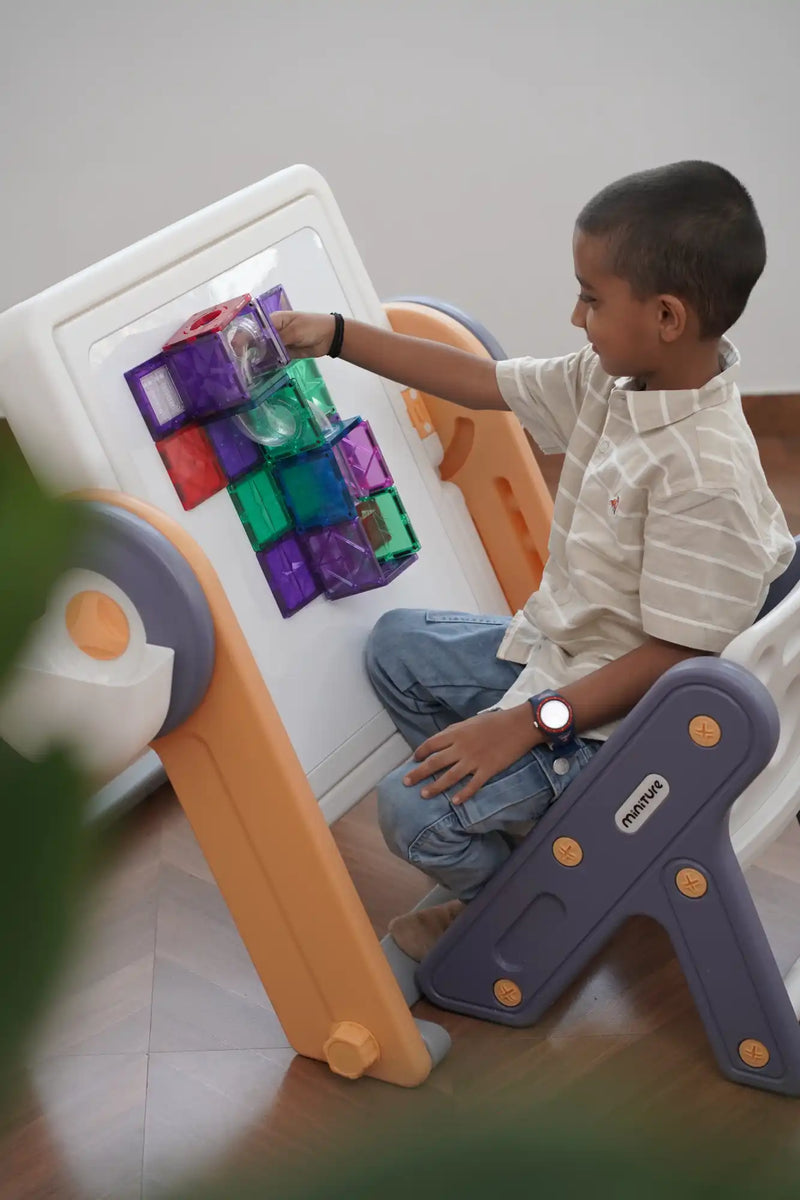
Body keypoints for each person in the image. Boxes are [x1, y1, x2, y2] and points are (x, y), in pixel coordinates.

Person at [271, 161, 796, 961]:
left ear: (665, 316)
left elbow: (676, 659)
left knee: (411, 816)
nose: (575, 316)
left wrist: (525, 724)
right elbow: (481, 382)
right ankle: (538, 840)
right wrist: (339, 336)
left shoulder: (704, 473)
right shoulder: (616, 381)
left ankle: (539, 906)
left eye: (592, 298)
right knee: (398, 646)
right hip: (572, 663)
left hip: (625, 738)